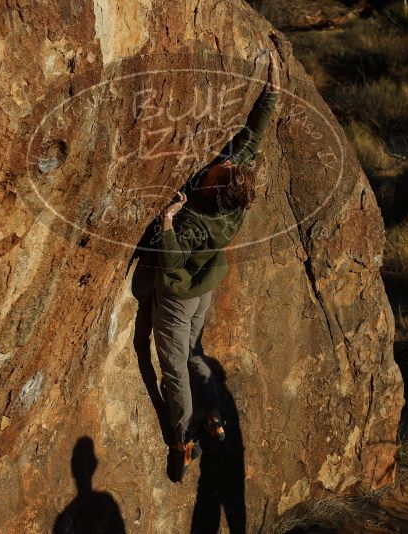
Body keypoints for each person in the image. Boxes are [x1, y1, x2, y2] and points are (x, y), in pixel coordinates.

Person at [151, 50, 281, 482]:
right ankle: (213, 415)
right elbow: (252, 139)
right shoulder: (235, 198)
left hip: (178, 295)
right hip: (205, 287)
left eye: (220, 169)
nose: (222, 161)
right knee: (194, 353)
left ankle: (182, 438)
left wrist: (168, 222)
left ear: (215, 189)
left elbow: (171, 258)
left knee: (173, 368)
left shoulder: (194, 222)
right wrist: (272, 95)